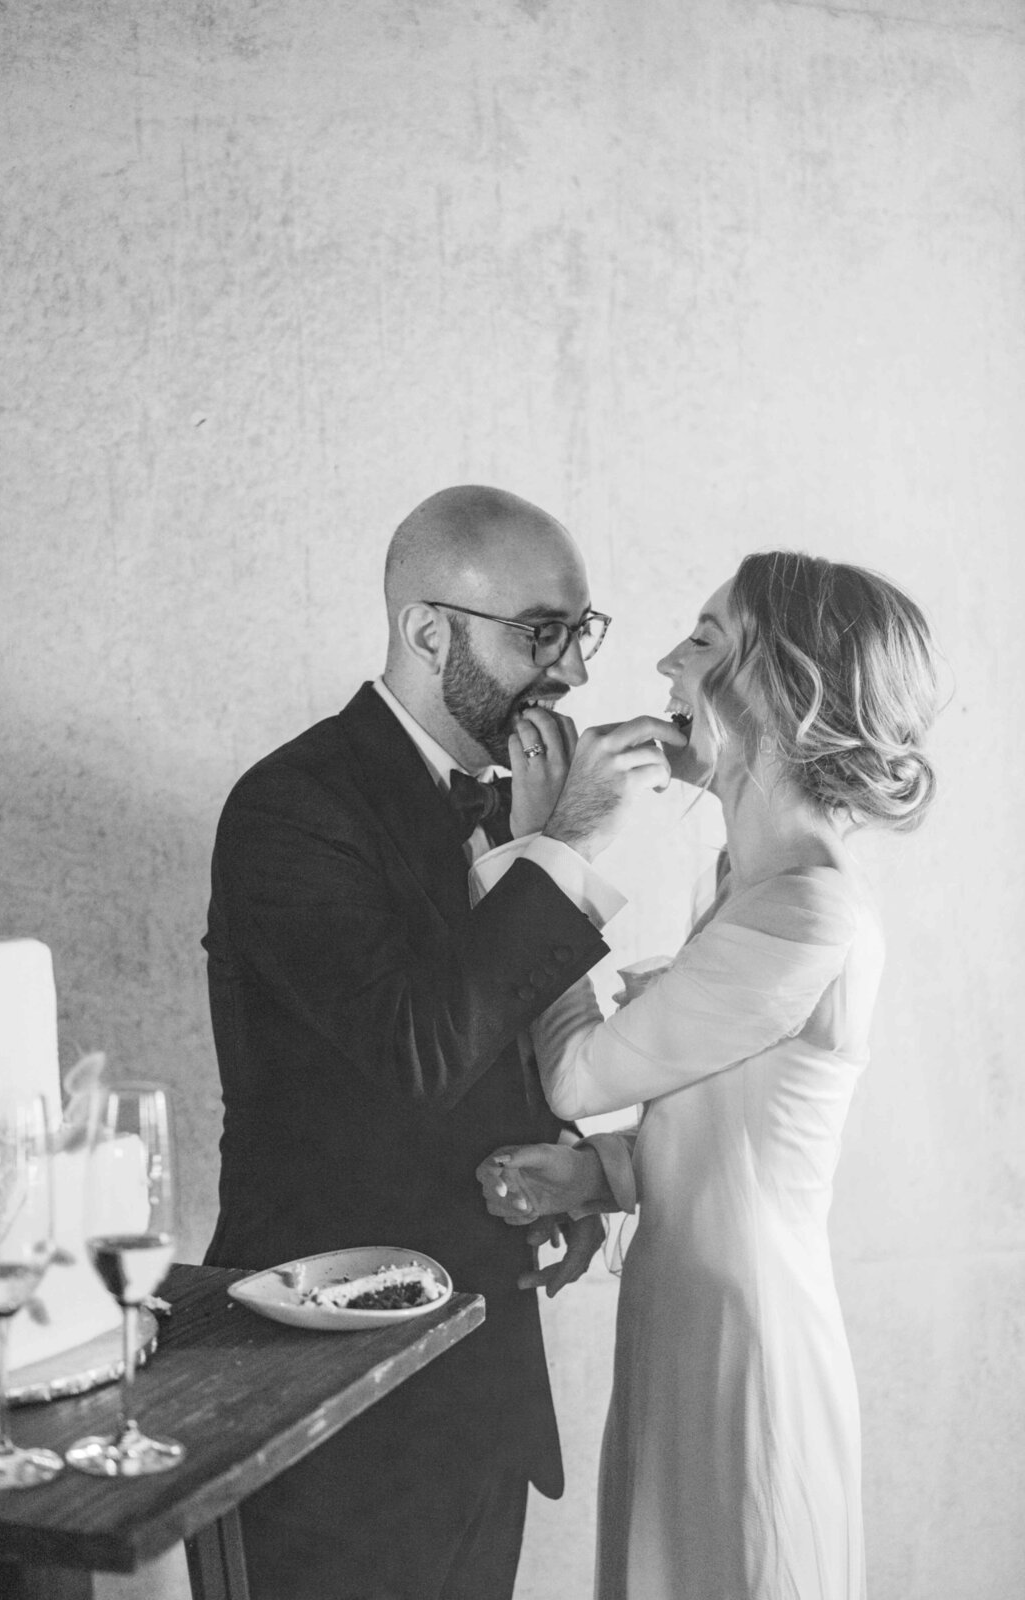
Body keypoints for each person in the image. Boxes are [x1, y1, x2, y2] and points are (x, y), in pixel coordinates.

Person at [201, 485, 684, 1600]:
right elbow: (419, 1045)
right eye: (539, 632)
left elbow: (507, 1034)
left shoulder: (512, 797)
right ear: (429, 629)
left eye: (578, 630)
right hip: (322, 1380)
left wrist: (559, 1171)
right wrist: (560, 848)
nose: (568, 669)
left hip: (485, 1372)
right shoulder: (292, 805)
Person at [476, 551, 940, 1600]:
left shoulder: (804, 907)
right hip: (687, 1314)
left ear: (779, 685)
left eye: (703, 639)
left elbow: (577, 1075)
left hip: (744, 1345)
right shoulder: (746, 880)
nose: (664, 664)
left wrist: (548, 850)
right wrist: (604, 1175)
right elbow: (742, 1125)